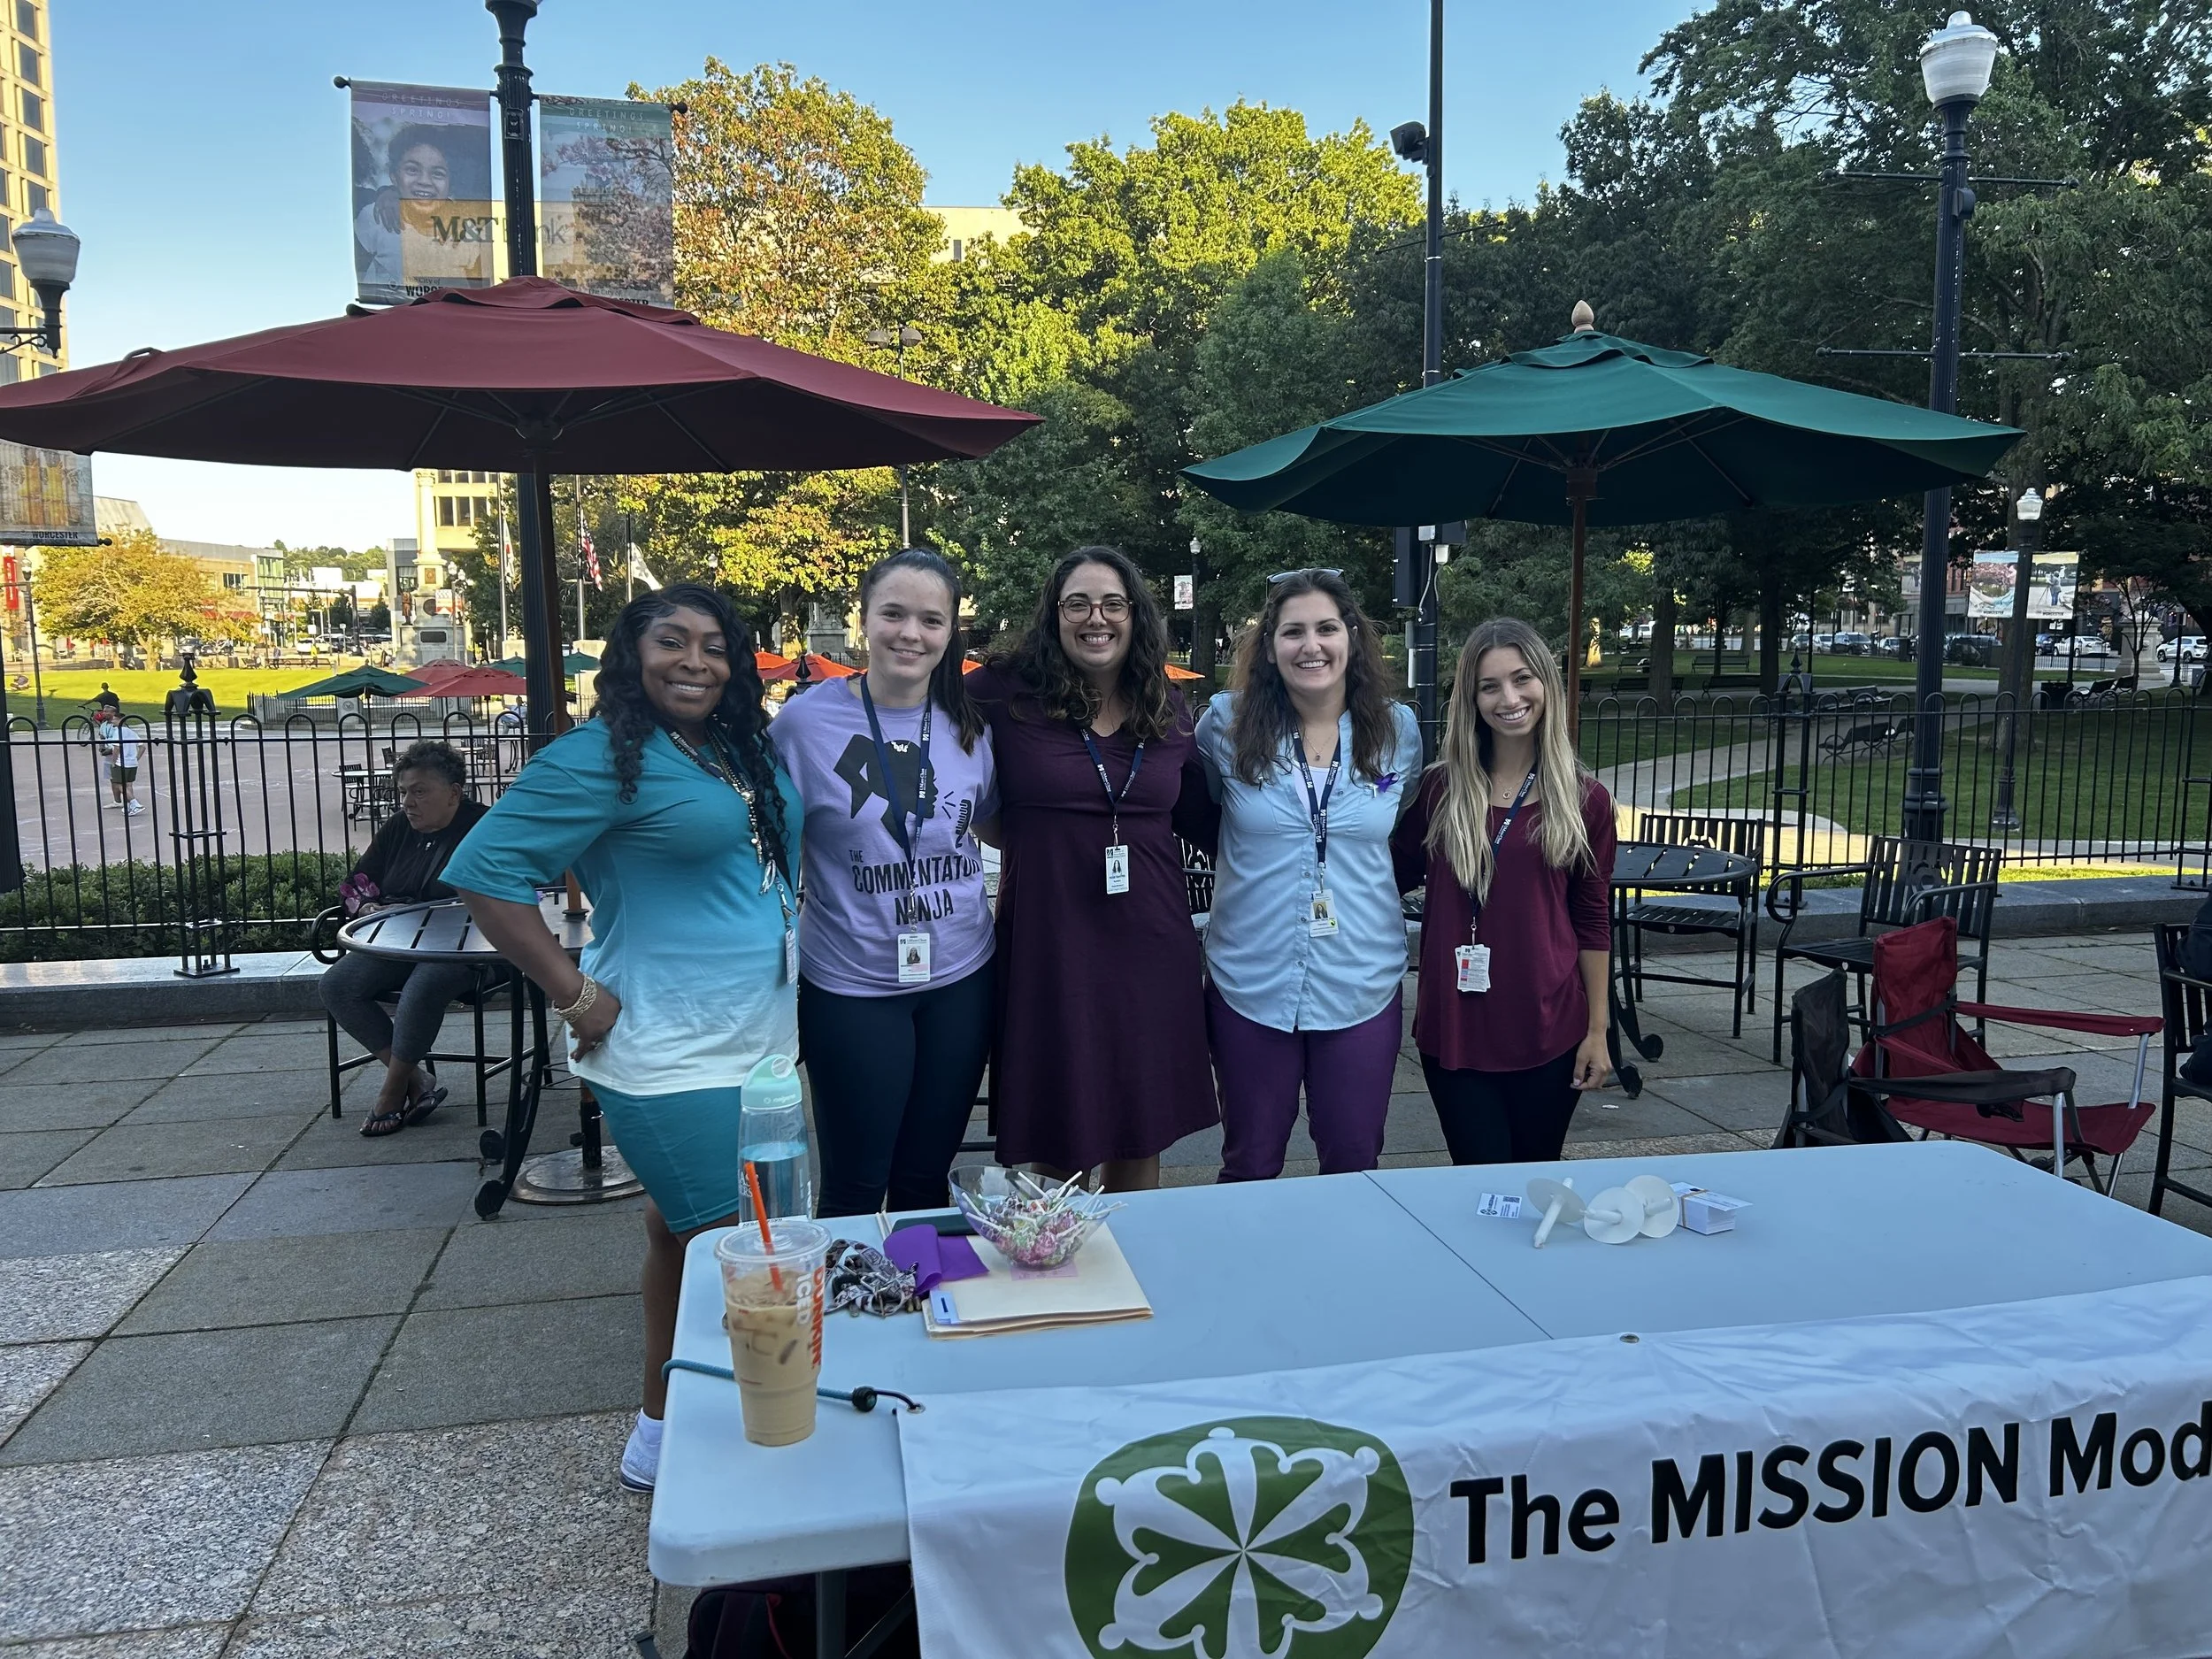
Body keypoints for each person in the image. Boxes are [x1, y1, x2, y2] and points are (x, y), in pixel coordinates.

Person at [443, 584, 799, 1494]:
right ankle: (753, 1448)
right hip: (666, 1051)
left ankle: (659, 1430)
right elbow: (484, 871)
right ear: (632, 656)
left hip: (757, 1041)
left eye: (714, 645)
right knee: (743, 1254)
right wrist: (572, 993)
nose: (695, 661)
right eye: (671, 641)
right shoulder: (599, 756)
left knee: (679, 1235)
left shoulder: (730, 745)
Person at [967, 546, 1218, 1191]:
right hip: (1051, 945)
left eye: (1112, 604)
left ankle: (1133, 1246)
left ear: (1135, 616)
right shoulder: (1001, 692)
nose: (1095, 618)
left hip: (1151, 944)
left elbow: (1209, 819)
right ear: (1054, 615)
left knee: (1142, 1122)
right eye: (1077, 603)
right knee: (1060, 1123)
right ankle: (1062, 1250)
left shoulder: (1165, 704)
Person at [771, 548, 997, 1217]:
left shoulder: (968, 723)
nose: (910, 634)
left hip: (960, 976)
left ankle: (918, 1284)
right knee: (857, 1183)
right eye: (893, 614)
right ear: (863, 619)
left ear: (950, 631)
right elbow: (768, 842)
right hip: (853, 984)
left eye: (931, 620)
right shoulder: (804, 724)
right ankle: (851, 1286)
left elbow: (989, 823)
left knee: (927, 1179)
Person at [1196, 570, 1421, 1181]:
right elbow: (1203, 810)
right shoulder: (1224, 725)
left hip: (1361, 979)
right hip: (1250, 979)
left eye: (1326, 628)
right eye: (1293, 632)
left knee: (1354, 1161)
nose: (1311, 645)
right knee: (1249, 1161)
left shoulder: (1397, 731)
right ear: (1270, 647)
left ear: (1352, 636)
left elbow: (1396, 827)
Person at [1392, 617, 1616, 1164]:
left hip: (1549, 1026)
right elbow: (1384, 876)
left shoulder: (1585, 801)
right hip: (1455, 1028)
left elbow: (1591, 920)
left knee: (1533, 1182)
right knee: (1479, 1181)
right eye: (1489, 686)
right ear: (1471, 700)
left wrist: (1598, 1031)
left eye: (1522, 679)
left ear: (1546, 684)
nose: (1509, 699)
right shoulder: (1440, 790)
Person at [319, 740, 488, 1136]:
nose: (408, 803)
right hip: (397, 941)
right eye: (403, 792)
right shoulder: (398, 828)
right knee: (337, 985)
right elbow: (356, 885)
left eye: (420, 792)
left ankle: (392, 1091)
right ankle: (417, 1080)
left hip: (468, 948)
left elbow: (513, 891)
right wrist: (366, 908)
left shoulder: (485, 828)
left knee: (424, 984)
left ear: (454, 793)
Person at [95, 709, 143, 816]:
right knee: (128, 784)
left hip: (121, 762)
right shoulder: (131, 732)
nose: (113, 721)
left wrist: (114, 761)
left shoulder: (118, 731)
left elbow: (116, 748)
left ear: (120, 720)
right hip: (132, 763)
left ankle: (134, 803)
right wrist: (136, 758)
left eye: (115, 719)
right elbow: (142, 747)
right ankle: (129, 805)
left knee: (118, 784)